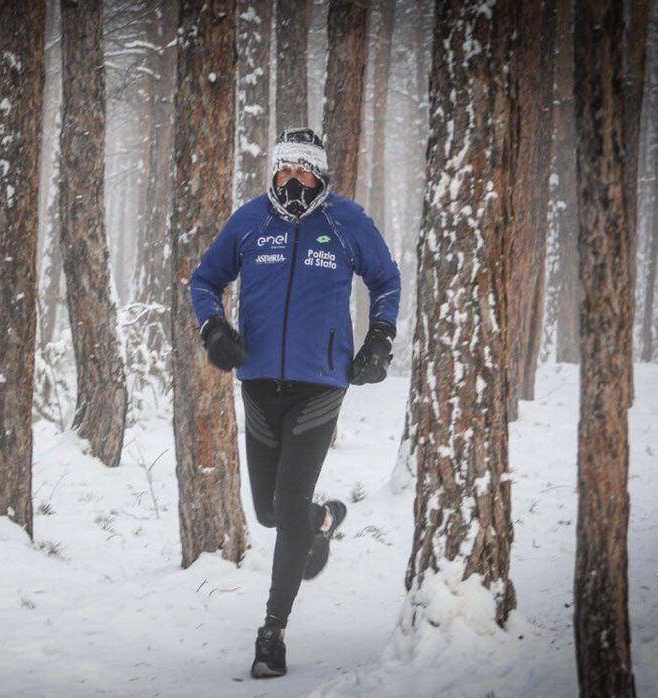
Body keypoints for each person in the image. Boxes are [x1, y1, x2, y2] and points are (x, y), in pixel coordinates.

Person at [189, 127, 401, 679]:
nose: (292, 178)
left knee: (286, 506)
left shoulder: (345, 222)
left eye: (303, 169)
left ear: (320, 174)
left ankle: (271, 632)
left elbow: (386, 280)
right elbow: (204, 279)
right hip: (258, 381)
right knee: (269, 511)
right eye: (284, 168)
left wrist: (379, 338)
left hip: (321, 383)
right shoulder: (251, 221)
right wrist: (214, 329)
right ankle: (322, 519)